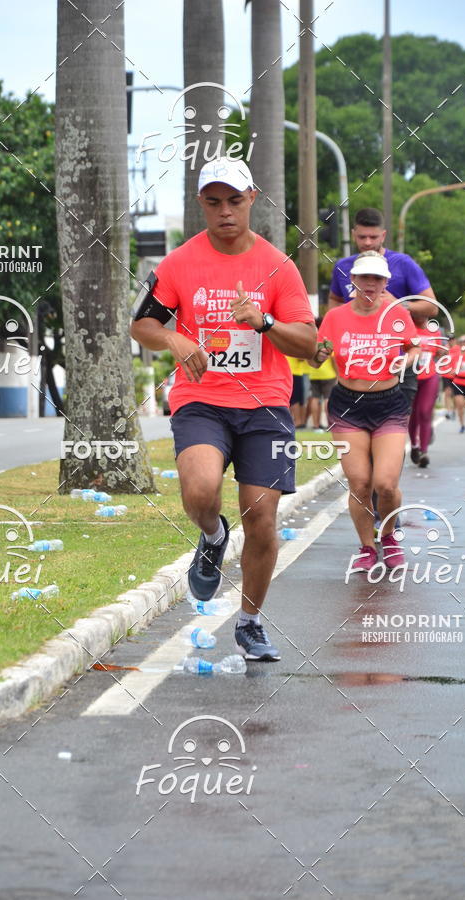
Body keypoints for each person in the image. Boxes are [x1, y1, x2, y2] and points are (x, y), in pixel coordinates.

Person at [130, 157, 316, 661]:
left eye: (234, 200)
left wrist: (265, 322)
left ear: (252, 198)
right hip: (201, 401)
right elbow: (141, 324)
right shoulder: (179, 263)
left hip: (265, 406)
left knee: (262, 520)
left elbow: (307, 342)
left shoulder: (279, 266)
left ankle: (251, 622)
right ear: (201, 206)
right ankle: (212, 536)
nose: (225, 211)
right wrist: (172, 336)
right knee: (201, 490)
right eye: (214, 202)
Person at [312, 251, 419, 572]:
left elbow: (414, 346)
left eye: (377, 279)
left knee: (385, 483)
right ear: (353, 281)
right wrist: (316, 352)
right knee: (359, 482)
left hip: (389, 403)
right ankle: (366, 547)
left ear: (386, 282)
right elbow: (318, 355)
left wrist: (406, 359)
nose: (370, 284)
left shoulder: (397, 314)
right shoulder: (335, 317)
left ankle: (387, 535)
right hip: (347, 405)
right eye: (364, 278)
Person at [328, 207, 437, 414]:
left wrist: (399, 304)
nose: (367, 242)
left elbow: (432, 307)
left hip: (399, 359)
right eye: (362, 236)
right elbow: (334, 299)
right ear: (353, 234)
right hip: (357, 362)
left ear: (384, 235)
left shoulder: (403, 264)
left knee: (393, 427)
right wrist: (340, 323)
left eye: (373, 236)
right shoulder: (343, 267)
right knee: (357, 428)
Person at [408, 316, 447, 468]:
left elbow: (438, 352)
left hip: (429, 376)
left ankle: (424, 452)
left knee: (424, 412)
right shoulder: (407, 328)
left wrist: (443, 352)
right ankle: (414, 446)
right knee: (412, 413)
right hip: (410, 376)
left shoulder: (435, 331)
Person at [308, 315, 337, 430]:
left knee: (315, 398)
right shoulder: (326, 338)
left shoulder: (312, 338)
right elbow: (333, 358)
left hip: (314, 373)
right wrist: (338, 374)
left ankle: (315, 425)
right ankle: (330, 425)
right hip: (328, 374)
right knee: (327, 399)